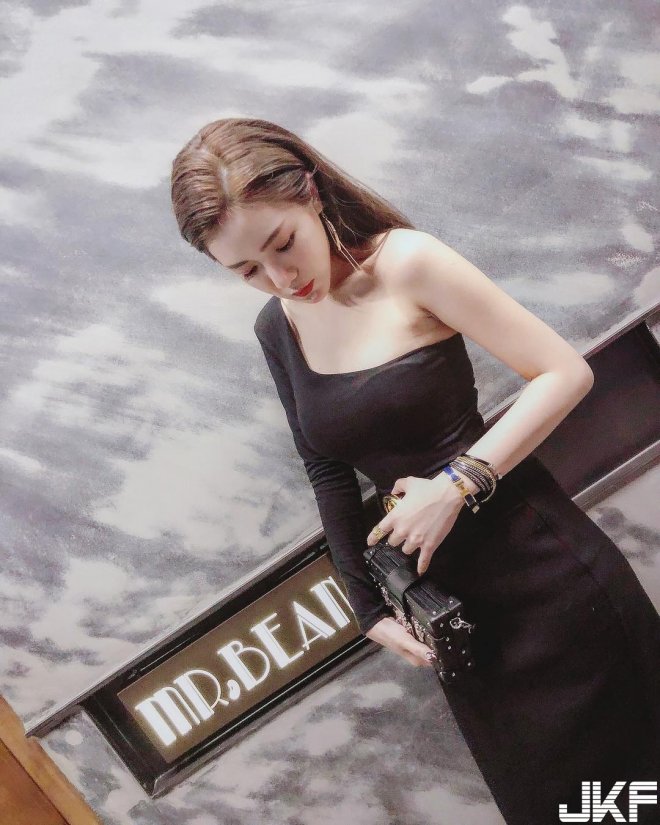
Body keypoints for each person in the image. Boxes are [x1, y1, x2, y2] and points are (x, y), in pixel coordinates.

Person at [171, 118, 660, 824]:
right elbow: (327, 470)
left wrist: (457, 483)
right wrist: (366, 607)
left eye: (282, 243)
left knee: (633, 797)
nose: (280, 278)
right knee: (556, 810)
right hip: (456, 617)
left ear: (310, 192)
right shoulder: (277, 328)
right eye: (246, 271)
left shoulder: (408, 262)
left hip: (550, 581)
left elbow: (563, 372)